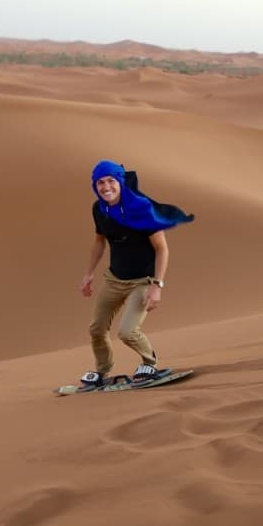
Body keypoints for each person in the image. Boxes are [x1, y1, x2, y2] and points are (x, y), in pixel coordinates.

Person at [78, 160, 194, 391]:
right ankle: (102, 371)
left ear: (120, 182)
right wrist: (89, 274)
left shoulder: (142, 208)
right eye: (100, 183)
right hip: (114, 279)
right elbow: (99, 241)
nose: (105, 187)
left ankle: (149, 363)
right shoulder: (99, 209)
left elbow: (162, 248)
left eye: (111, 181)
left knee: (127, 332)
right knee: (97, 329)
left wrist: (157, 286)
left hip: (143, 281)